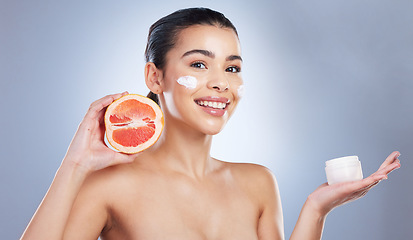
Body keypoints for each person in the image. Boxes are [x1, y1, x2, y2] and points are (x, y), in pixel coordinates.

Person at [20, 7, 401, 240]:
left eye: (232, 68)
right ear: (155, 78)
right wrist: (74, 165)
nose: (221, 83)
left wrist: (317, 209)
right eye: (199, 64)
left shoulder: (258, 182)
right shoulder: (109, 185)